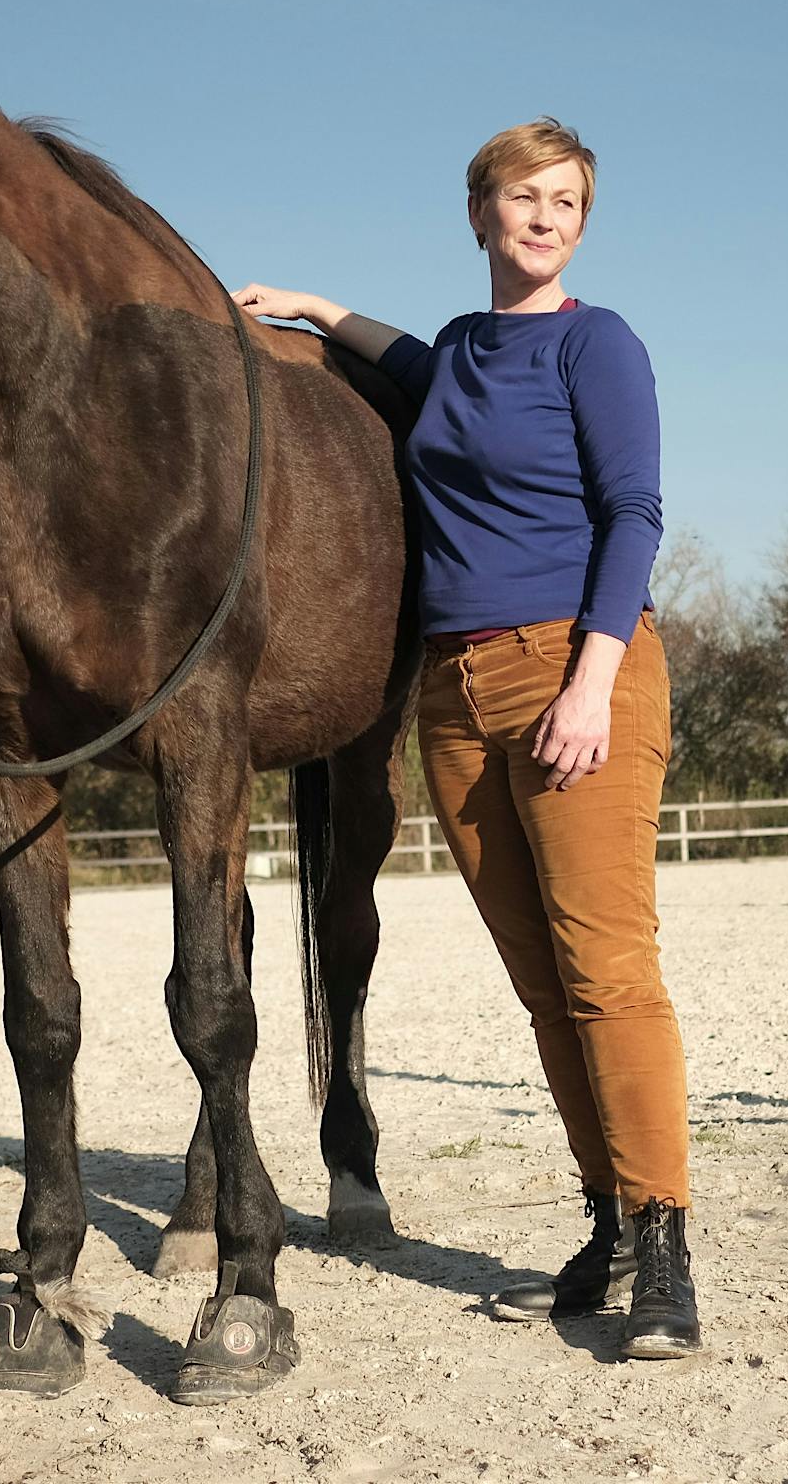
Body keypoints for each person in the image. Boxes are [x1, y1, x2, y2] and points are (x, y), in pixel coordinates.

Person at [231, 117, 699, 1359]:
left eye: (566, 200)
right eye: (521, 196)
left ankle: (662, 1245)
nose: (544, 217)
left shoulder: (598, 343)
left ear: (580, 222)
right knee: (544, 988)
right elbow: (408, 362)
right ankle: (603, 1218)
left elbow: (635, 509)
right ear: (479, 210)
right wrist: (321, 310)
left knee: (606, 969)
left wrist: (591, 681)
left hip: (575, 668)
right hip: (455, 696)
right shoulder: (461, 352)